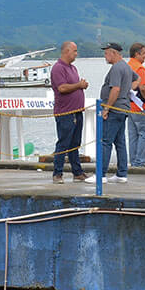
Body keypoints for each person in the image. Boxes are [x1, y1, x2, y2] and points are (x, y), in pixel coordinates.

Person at [50, 40, 89, 183]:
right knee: (63, 143)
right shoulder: (58, 68)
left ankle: (77, 172)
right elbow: (62, 88)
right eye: (74, 51)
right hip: (65, 112)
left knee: (75, 143)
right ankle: (57, 173)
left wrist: (81, 86)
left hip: (77, 111)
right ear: (66, 51)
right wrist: (79, 85)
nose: (76, 54)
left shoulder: (73, 68)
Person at [98, 41, 134, 182]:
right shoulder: (126, 66)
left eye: (106, 53)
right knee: (120, 142)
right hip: (123, 108)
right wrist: (127, 92)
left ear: (113, 53)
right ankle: (121, 174)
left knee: (106, 141)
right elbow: (137, 80)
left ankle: (101, 174)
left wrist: (107, 108)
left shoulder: (116, 68)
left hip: (115, 109)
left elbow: (116, 89)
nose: (105, 56)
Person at [126, 43, 145, 168]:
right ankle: (140, 161)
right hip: (141, 106)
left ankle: (133, 161)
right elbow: (143, 87)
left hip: (129, 106)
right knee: (144, 134)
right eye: (143, 53)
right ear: (137, 54)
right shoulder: (140, 69)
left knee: (133, 135)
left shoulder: (127, 66)